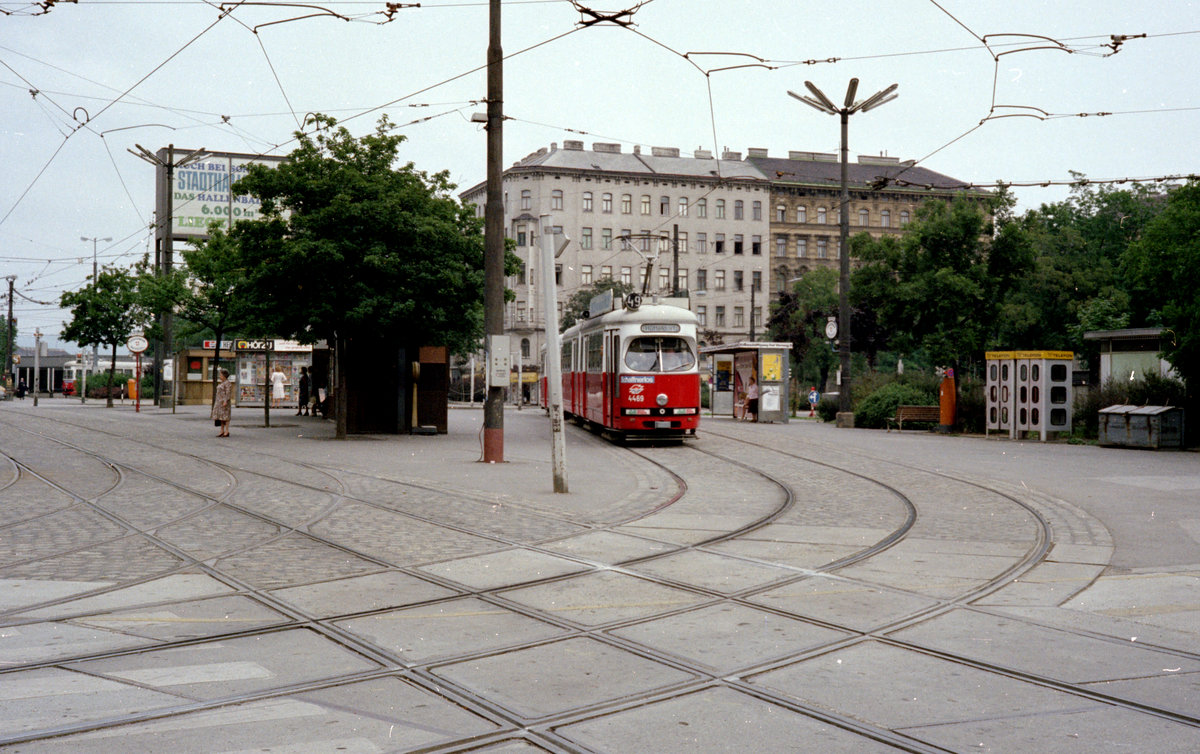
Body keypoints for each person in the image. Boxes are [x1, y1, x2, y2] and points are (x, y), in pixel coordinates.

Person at [212, 368, 233, 437]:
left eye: (220, 375)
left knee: (226, 416)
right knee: (221, 416)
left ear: (224, 375)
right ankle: (221, 430)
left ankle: (226, 431)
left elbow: (228, 393)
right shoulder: (222, 383)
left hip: (224, 402)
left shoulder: (227, 383)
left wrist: (225, 401)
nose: (219, 376)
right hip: (219, 402)